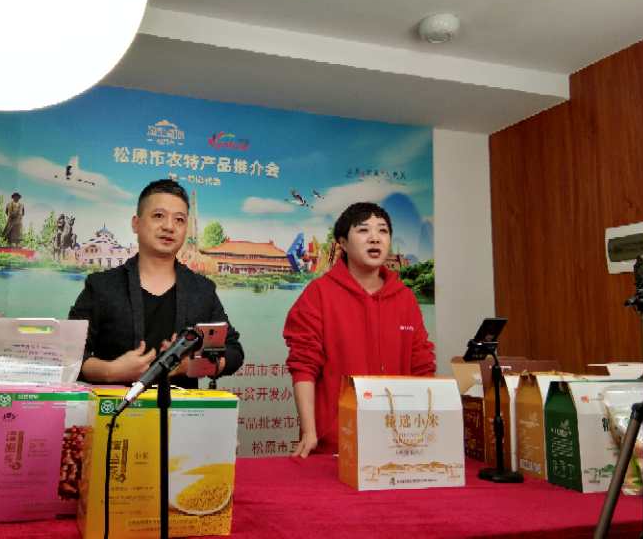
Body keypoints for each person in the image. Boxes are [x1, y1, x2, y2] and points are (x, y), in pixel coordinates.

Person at [283, 202, 435, 457]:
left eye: (383, 230)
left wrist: (427, 432)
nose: (375, 238)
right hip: (336, 445)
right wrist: (309, 432)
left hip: (400, 443)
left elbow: (422, 367)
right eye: (363, 230)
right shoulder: (319, 294)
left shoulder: (405, 298)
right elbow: (303, 367)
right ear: (343, 242)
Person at [69, 179, 243, 386]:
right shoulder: (101, 287)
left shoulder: (202, 290)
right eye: (158, 216)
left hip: (180, 406)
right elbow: (68, 355)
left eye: (179, 220)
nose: (169, 227)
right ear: (136, 223)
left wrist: (192, 365)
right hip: (115, 405)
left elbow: (233, 352)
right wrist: (110, 371)